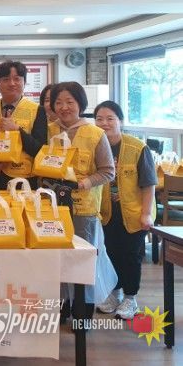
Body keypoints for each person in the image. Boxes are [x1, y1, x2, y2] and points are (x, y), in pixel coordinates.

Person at [49, 82, 115, 324]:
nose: (64, 107)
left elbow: (108, 171)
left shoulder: (95, 134)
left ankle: (83, 313)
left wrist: (84, 183)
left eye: (70, 102)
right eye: (58, 102)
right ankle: (62, 306)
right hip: (53, 207)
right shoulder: (49, 131)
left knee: (83, 260)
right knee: (56, 257)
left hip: (83, 207)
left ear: (80, 104)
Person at [95, 101, 157, 319]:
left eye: (110, 118)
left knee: (131, 255)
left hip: (134, 211)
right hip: (106, 212)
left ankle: (131, 298)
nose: (104, 123)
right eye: (99, 119)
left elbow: (149, 183)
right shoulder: (95, 145)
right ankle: (115, 293)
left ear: (120, 121)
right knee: (110, 253)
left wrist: (146, 213)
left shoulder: (137, 147)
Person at [0, 60, 47, 190]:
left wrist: (17, 130)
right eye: (6, 79)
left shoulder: (37, 110)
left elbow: (40, 150)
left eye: (17, 79)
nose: (12, 83)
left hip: (23, 180)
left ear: (24, 82)